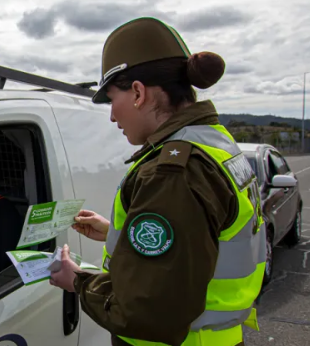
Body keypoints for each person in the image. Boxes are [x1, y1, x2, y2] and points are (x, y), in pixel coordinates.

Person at [49, 17, 265, 346]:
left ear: (137, 92)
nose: (111, 116)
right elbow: (203, 239)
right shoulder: (214, 144)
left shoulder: (173, 174)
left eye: (111, 99)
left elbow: (146, 312)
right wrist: (120, 234)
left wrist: (78, 281)